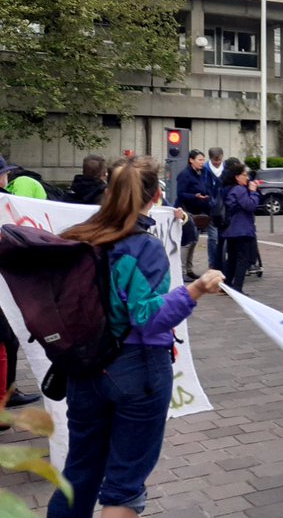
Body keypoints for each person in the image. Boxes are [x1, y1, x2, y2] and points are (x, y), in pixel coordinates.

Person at [48, 156, 223, 517]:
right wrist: (196, 289)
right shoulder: (143, 246)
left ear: (108, 193)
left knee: (79, 472)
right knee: (124, 485)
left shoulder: (80, 237)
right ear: (156, 195)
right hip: (136, 371)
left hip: (84, 369)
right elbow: (147, 316)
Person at [0, 156, 43, 410]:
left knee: (8, 341)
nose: (7, 177)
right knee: (6, 340)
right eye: (4, 173)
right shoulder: (5, 204)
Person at [219, 159, 261, 293]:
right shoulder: (240, 190)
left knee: (231, 258)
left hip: (230, 229)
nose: (247, 178)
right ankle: (237, 287)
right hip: (242, 229)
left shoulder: (227, 189)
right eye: (244, 175)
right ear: (237, 177)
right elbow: (250, 206)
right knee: (242, 259)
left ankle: (227, 285)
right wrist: (253, 192)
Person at [174, 150, 208, 280]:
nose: (202, 162)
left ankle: (189, 269)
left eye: (203, 160)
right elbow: (181, 194)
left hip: (198, 210)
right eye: (199, 159)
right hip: (185, 211)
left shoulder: (203, 173)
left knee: (194, 240)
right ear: (191, 160)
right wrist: (195, 196)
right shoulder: (185, 174)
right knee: (187, 241)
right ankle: (182, 271)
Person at [202, 147, 226, 270]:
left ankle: (222, 262)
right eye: (215, 160)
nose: (217, 162)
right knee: (213, 238)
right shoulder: (205, 170)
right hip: (211, 209)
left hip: (224, 208)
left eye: (219, 160)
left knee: (223, 238)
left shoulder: (226, 169)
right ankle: (213, 263)